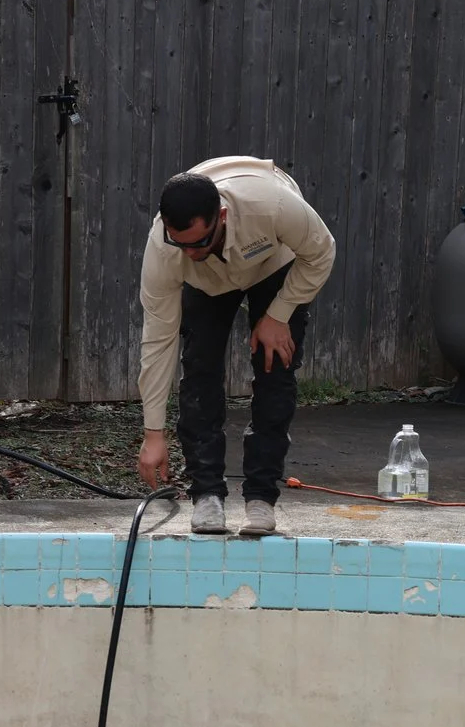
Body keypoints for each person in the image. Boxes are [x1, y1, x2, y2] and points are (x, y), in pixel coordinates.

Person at [136, 157, 337, 535]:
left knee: (274, 368)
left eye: (199, 242)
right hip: (208, 284)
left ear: (222, 217)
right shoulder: (167, 251)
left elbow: (321, 251)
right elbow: (158, 341)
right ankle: (207, 494)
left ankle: (261, 496)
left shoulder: (274, 205)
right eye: (180, 244)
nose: (190, 252)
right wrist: (153, 434)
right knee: (199, 368)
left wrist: (278, 315)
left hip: (273, 261)